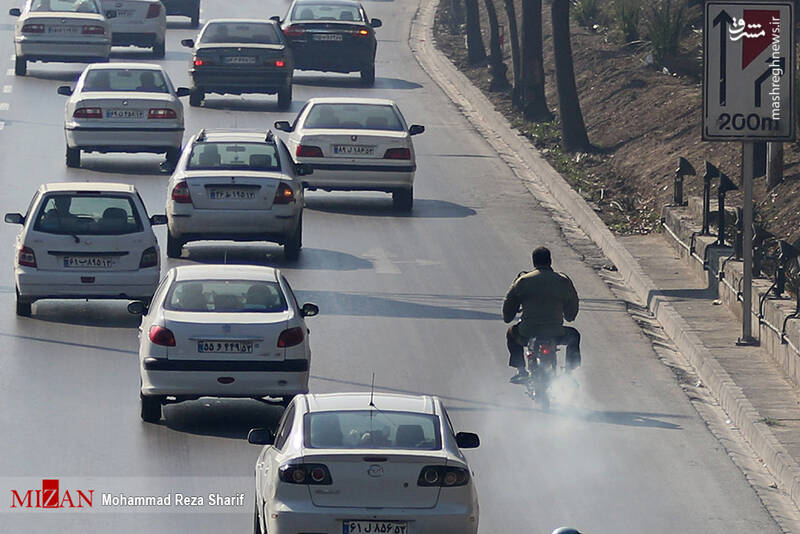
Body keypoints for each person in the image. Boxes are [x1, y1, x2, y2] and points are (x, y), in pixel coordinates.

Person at [502, 246, 581, 384]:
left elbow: (508, 307)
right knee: (574, 335)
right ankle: (568, 372)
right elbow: (572, 310)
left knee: (511, 333)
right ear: (550, 261)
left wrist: (508, 316)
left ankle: (521, 371)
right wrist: (568, 315)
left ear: (534, 262)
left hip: (527, 333)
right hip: (556, 333)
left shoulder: (523, 281)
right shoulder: (563, 281)